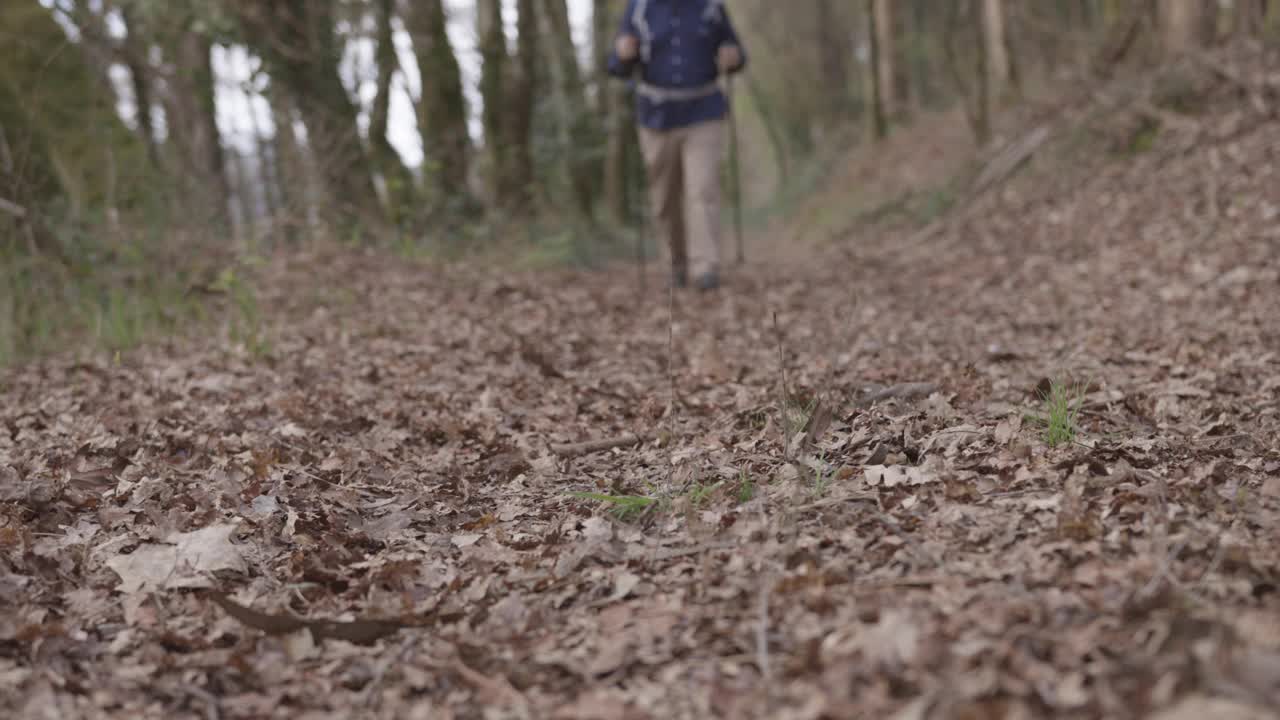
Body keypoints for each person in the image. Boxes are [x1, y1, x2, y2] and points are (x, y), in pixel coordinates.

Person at [607, 0, 747, 292]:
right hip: (656, 118)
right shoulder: (639, 8)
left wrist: (733, 57)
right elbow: (617, 66)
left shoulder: (711, 7)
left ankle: (705, 267)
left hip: (704, 112)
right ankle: (675, 264)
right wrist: (622, 55)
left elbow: (737, 53)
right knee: (664, 198)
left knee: (703, 190)